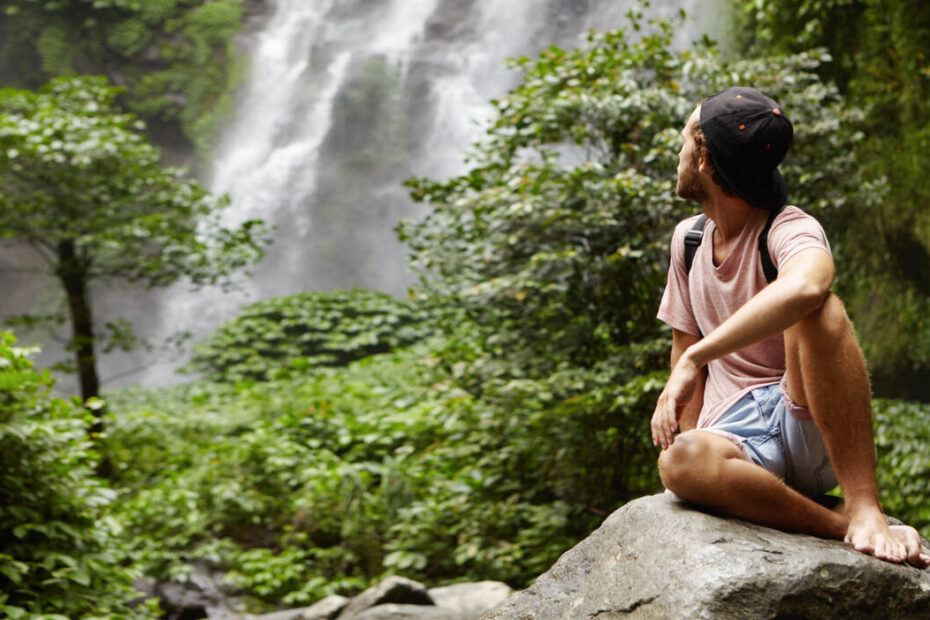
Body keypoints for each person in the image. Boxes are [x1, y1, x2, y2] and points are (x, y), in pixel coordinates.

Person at [652, 86, 929, 567]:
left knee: (821, 308)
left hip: (803, 418)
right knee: (679, 461)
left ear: (702, 160)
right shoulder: (689, 241)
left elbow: (806, 285)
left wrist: (697, 359)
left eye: (682, 143)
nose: (675, 153)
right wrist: (689, 442)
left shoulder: (788, 227)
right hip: (735, 437)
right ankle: (839, 522)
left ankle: (865, 503)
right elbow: (684, 350)